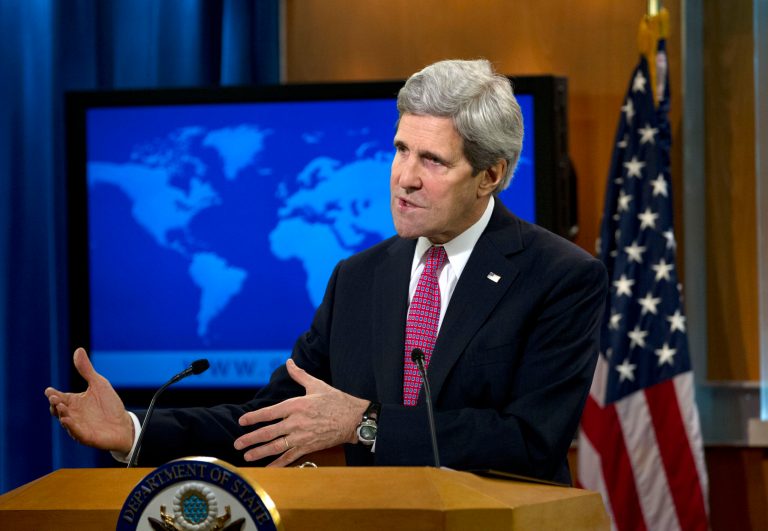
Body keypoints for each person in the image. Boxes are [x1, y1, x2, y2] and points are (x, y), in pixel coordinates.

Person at [46, 58, 607, 484]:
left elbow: (532, 441)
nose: (403, 178)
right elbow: (268, 420)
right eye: (401, 149)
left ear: (490, 175)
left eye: (431, 160)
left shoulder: (559, 278)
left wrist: (364, 422)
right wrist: (137, 431)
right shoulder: (359, 278)